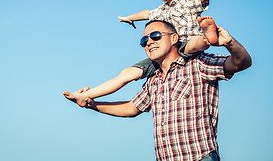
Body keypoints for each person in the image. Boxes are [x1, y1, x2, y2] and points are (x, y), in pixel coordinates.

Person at [65, 20, 251, 161]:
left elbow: (241, 63)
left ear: (174, 39)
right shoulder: (153, 79)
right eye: (144, 40)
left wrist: (229, 43)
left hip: (199, 157)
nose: (149, 42)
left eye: (155, 36)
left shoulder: (197, 64)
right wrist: (92, 105)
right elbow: (131, 108)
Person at [63, 0, 242, 107]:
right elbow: (146, 13)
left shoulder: (188, 1)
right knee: (127, 74)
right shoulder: (160, 11)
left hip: (186, 44)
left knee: (194, 44)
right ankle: (86, 94)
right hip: (166, 53)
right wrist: (129, 18)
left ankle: (207, 37)